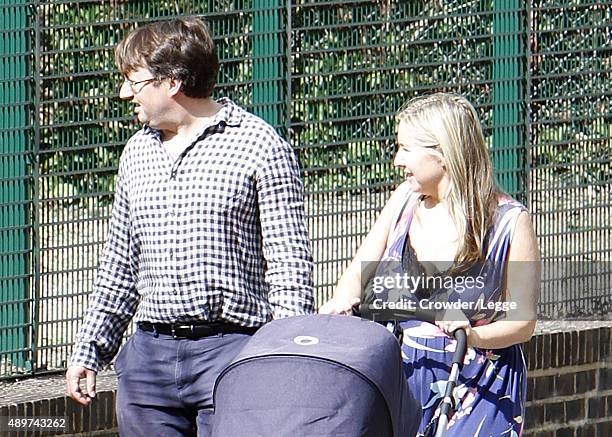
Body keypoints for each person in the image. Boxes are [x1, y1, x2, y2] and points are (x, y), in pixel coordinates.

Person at [65, 17, 314, 436]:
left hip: (233, 352)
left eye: (135, 81)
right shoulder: (136, 153)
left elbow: (289, 264)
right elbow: (120, 264)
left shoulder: (258, 144)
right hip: (148, 363)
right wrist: (91, 349)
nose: (125, 93)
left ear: (173, 82)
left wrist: (285, 358)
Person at [320, 93, 540, 435]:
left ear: (443, 154)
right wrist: (340, 305)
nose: (397, 160)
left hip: (479, 388)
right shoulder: (403, 203)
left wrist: (472, 334)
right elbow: (356, 278)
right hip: (404, 380)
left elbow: (522, 322)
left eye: (406, 148)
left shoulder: (510, 223)